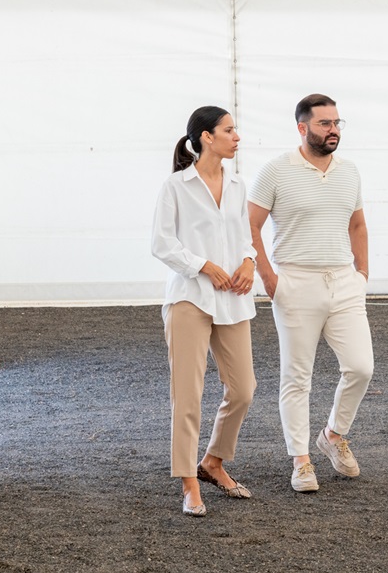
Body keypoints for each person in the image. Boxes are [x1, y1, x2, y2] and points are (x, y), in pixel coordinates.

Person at [248, 93, 373, 493]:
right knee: (297, 376)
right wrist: (268, 277)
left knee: (361, 367)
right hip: (295, 282)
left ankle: (333, 435)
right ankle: (301, 461)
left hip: (344, 283)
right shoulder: (276, 170)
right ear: (302, 128)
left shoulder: (349, 171)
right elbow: (249, 225)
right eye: (325, 123)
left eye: (337, 123)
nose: (333, 130)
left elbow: (357, 225)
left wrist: (362, 273)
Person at [151, 106, 258, 517]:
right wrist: (203, 266)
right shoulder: (176, 186)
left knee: (243, 389)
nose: (237, 136)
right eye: (229, 130)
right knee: (188, 395)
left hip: (232, 297)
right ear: (207, 137)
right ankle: (189, 482)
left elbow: (245, 237)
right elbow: (162, 244)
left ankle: (213, 461)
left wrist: (248, 262)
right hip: (189, 298)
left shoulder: (238, 184)